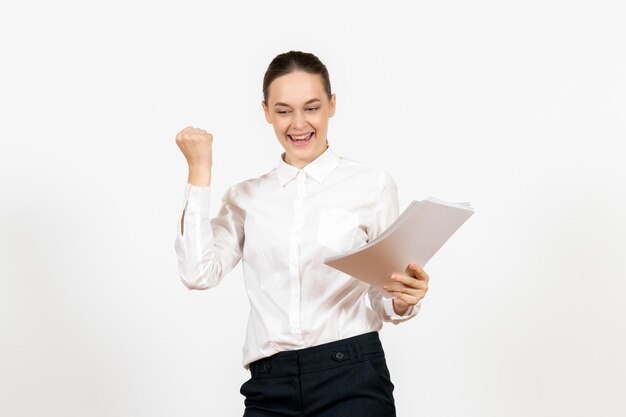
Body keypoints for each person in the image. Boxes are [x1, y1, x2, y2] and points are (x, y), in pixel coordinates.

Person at [174, 50, 430, 417]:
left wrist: (403, 299)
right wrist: (200, 171)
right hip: (269, 385)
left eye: (311, 108)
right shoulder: (246, 197)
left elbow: (382, 293)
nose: (298, 124)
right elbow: (197, 273)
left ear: (332, 105)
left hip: (352, 375)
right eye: (283, 110)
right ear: (265, 111)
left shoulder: (370, 185)